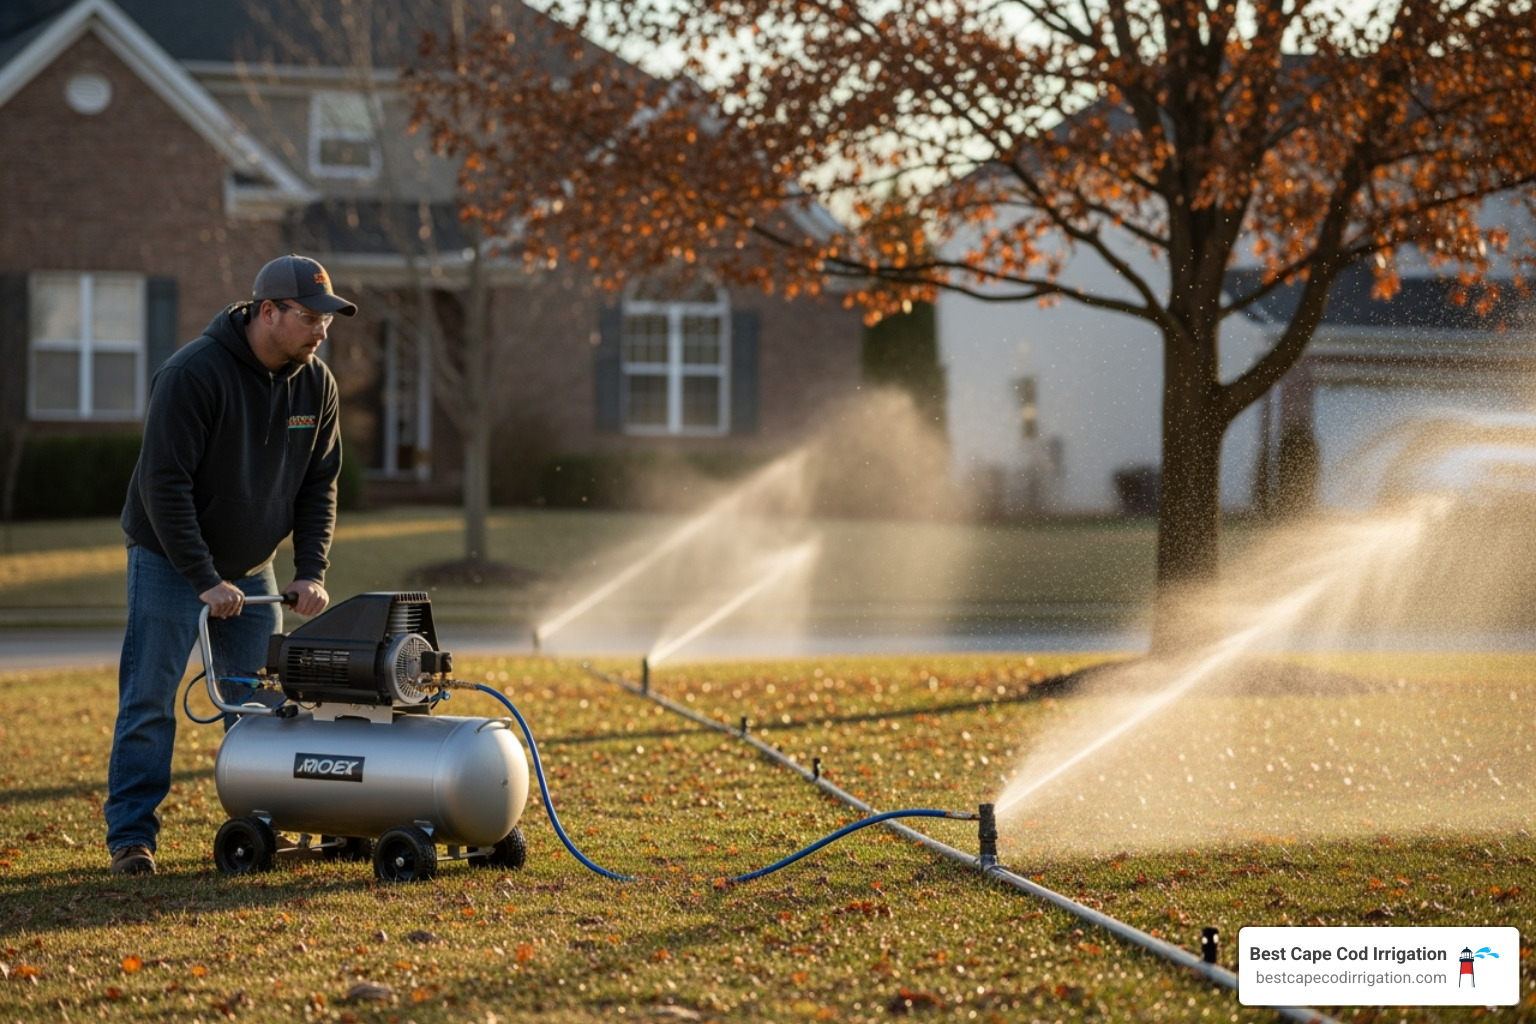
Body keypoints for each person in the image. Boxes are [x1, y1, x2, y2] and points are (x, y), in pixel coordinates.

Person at [104, 255, 357, 875]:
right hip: (169, 560)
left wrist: (311, 570)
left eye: (327, 320)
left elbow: (319, 485)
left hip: (250, 566)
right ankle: (132, 838)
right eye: (310, 318)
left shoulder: (316, 384)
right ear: (267, 311)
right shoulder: (192, 374)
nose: (321, 331)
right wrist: (203, 578)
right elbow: (164, 487)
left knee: (259, 705)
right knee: (150, 700)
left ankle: (263, 824)